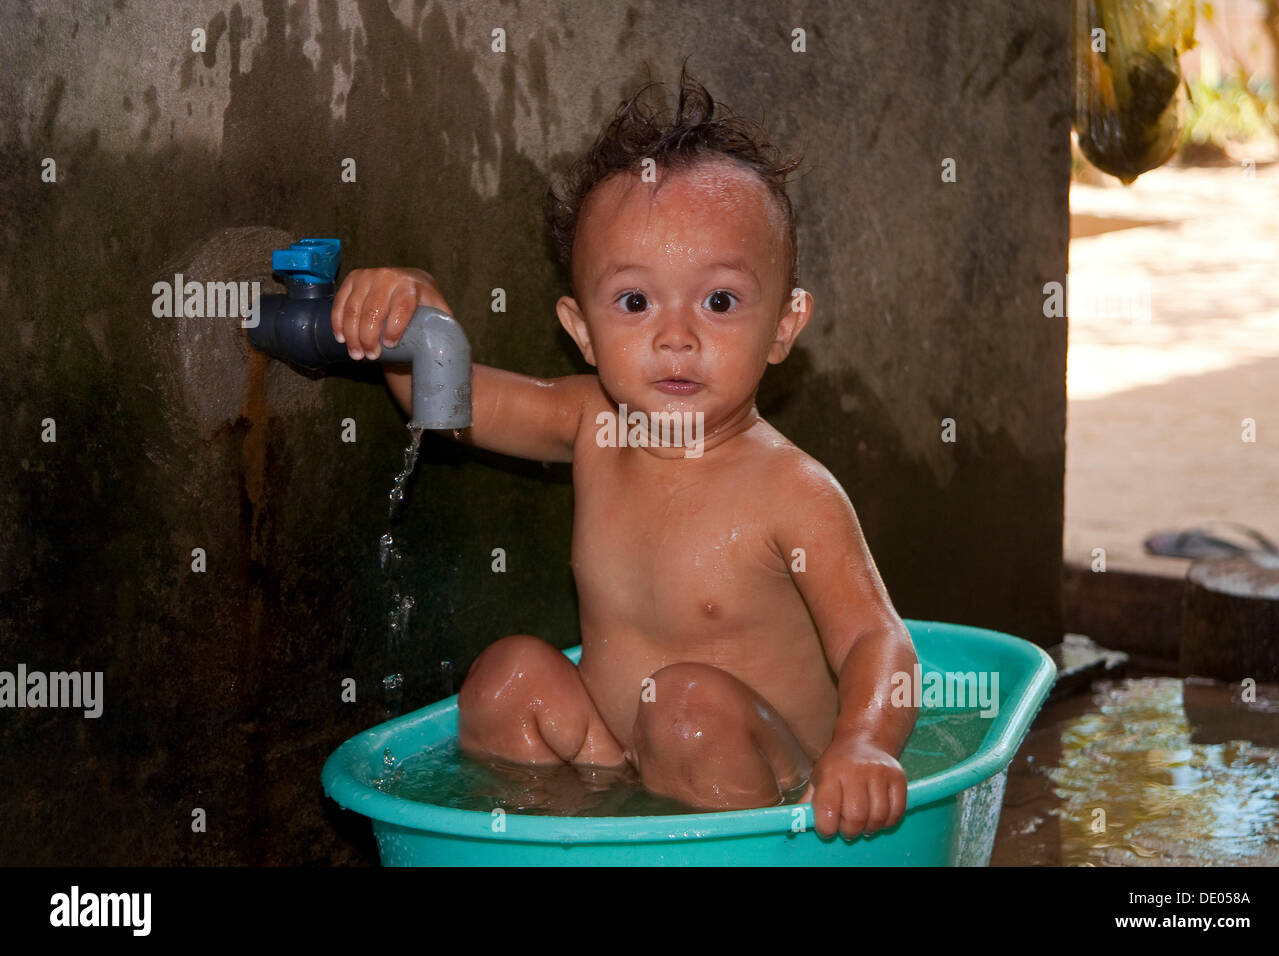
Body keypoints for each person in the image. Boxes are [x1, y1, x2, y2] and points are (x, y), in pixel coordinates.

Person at [331, 69, 918, 840]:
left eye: (720, 301)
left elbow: (880, 640)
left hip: (773, 789)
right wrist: (415, 311)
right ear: (580, 330)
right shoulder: (590, 422)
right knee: (506, 679)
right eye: (635, 303)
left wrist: (864, 744)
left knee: (685, 709)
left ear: (784, 325)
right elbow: (452, 411)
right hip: (616, 766)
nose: (676, 336)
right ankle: (579, 844)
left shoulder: (793, 492)